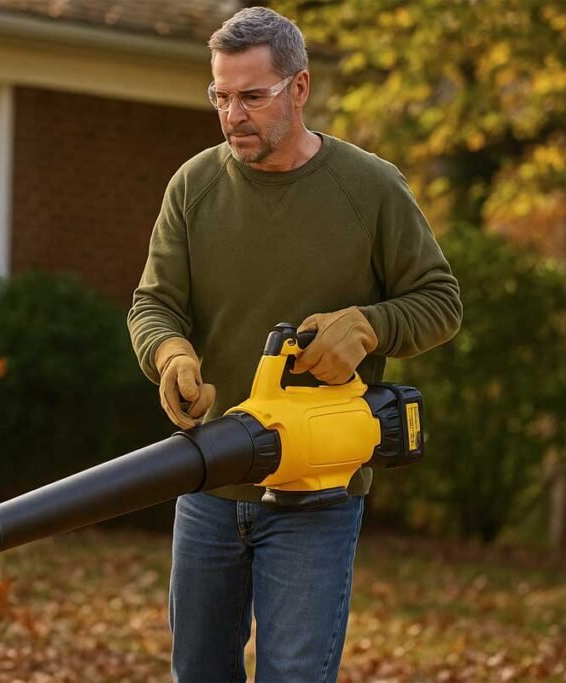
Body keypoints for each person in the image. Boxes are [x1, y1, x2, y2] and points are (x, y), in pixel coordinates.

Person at [127, 7, 462, 682]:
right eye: (220, 97)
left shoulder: (370, 188)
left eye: (252, 96)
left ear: (300, 88)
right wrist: (171, 356)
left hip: (319, 494)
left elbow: (441, 301)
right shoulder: (194, 187)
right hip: (210, 482)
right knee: (198, 671)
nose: (233, 115)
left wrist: (369, 325)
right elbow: (153, 304)